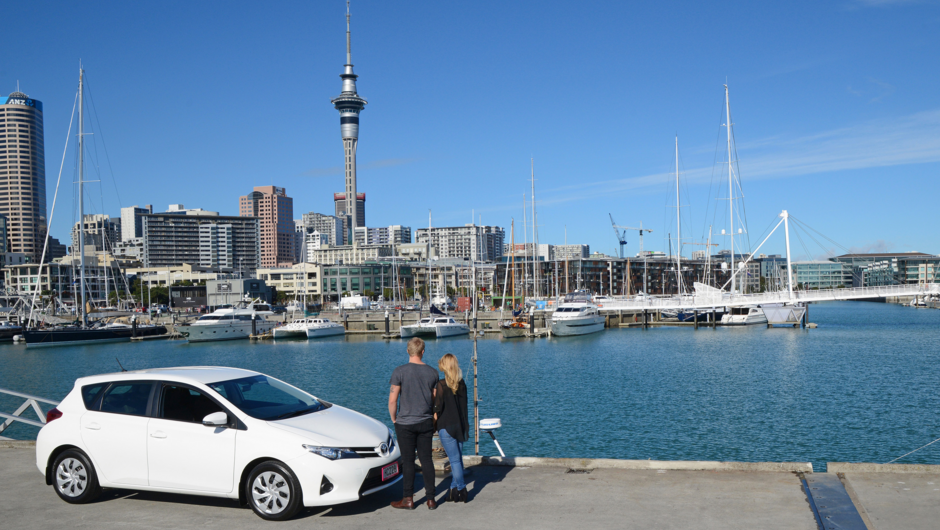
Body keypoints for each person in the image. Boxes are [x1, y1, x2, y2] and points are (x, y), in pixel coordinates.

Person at [388, 337, 440, 510]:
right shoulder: (433, 373)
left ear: (407, 351)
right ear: (423, 351)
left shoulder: (399, 371)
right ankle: (431, 499)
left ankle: (408, 499)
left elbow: (393, 400)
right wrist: (432, 419)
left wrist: (394, 419)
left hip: (405, 423)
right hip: (425, 421)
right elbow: (433, 400)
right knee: (427, 460)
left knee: (408, 461)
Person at [434, 353, 470, 503]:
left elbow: (437, 409)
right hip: (460, 426)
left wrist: (432, 425)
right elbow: (464, 407)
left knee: (454, 461)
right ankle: (452, 491)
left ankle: (462, 489)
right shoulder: (462, 384)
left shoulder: (441, 385)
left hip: (446, 427)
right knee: (458, 460)